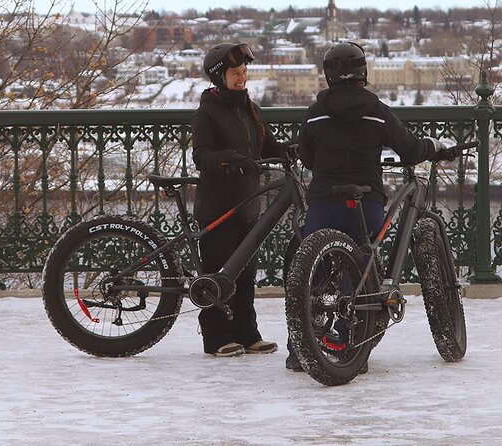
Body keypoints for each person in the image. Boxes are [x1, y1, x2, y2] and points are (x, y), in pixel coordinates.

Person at [285, 41, 447, 371]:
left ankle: (299, 348)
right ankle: (352, 344)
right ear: (363, 72)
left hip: (323, 206)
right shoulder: (376, 110)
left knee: (313, 270)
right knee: (362, 263)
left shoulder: (315, 114)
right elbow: (410, 148)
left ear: (328, 75)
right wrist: (435, 146)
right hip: (365, 204)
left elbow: (306, 156)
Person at [191, 43, 290, 357]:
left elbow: (268, 147)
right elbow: (202, 156)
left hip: (248, 205)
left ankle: (248, 334)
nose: (242, 79)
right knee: (217, 273)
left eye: (244, 73)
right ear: (221, 77)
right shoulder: (208, 111)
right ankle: (217, 337)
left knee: (246, 275)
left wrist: (291, 151)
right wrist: (231, 160)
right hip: (219, 206)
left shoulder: (251, 108)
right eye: (236, 74)